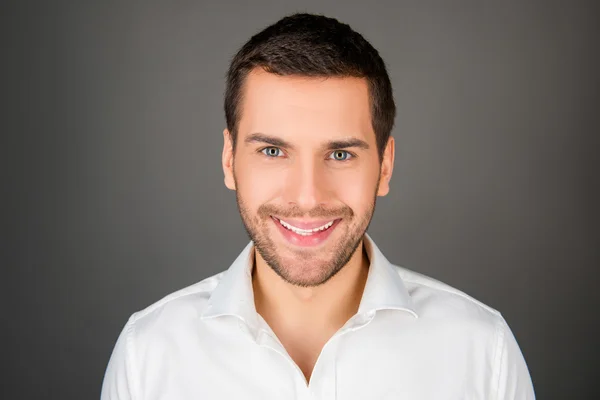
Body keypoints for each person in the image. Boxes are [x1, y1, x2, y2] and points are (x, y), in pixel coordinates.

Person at [101, 13, 535, 399]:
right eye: (273, 151)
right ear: (229, 160)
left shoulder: (484, 354)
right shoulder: (149, 354)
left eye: (341, 155)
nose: (307, 198)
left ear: (385, 167)